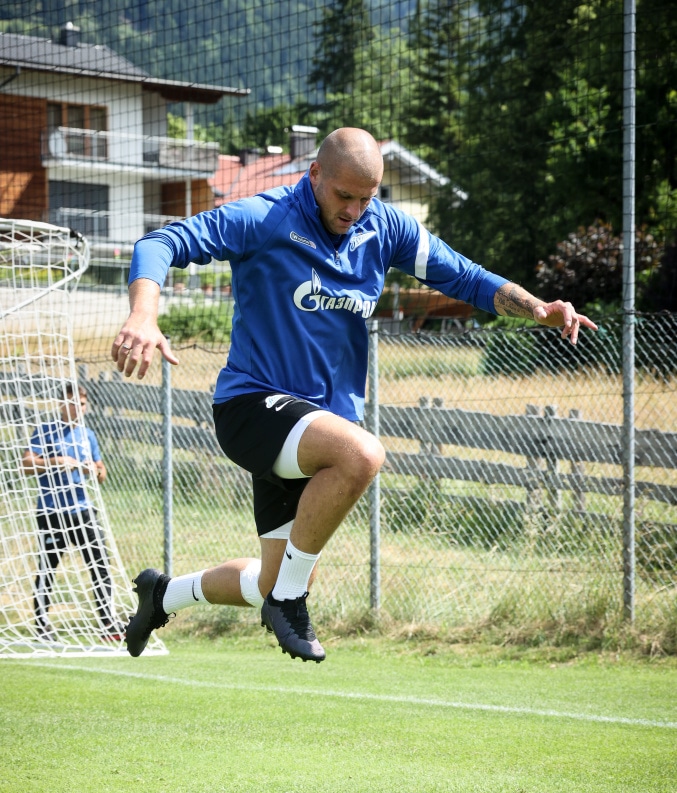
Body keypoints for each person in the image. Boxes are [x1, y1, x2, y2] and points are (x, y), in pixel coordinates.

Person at [112, 127, 597, 663]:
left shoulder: (383, 228)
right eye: (345, 196)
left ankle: (164, 594)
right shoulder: (264, 218)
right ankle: (290, 602)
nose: (354, 210)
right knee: (362, 454)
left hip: (315, 427)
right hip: (253, 408)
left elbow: (464, 277)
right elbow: (159, 243)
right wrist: (142, 313)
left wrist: (535, 308)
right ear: (314, 174)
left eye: (367, 198)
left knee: (271, 578)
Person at [22, 382, 125, 643]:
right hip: (52, 511)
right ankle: (42, 624)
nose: (76, 408)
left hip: (82, 510)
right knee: (49, 566)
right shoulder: (45, 431)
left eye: (80, 404)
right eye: (71, 403)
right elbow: (26, 463)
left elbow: (102, 472)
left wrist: (94, 469)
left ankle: (107, 623)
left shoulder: (87, 435)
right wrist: (55, 462)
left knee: (100, 563)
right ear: (61, 405)